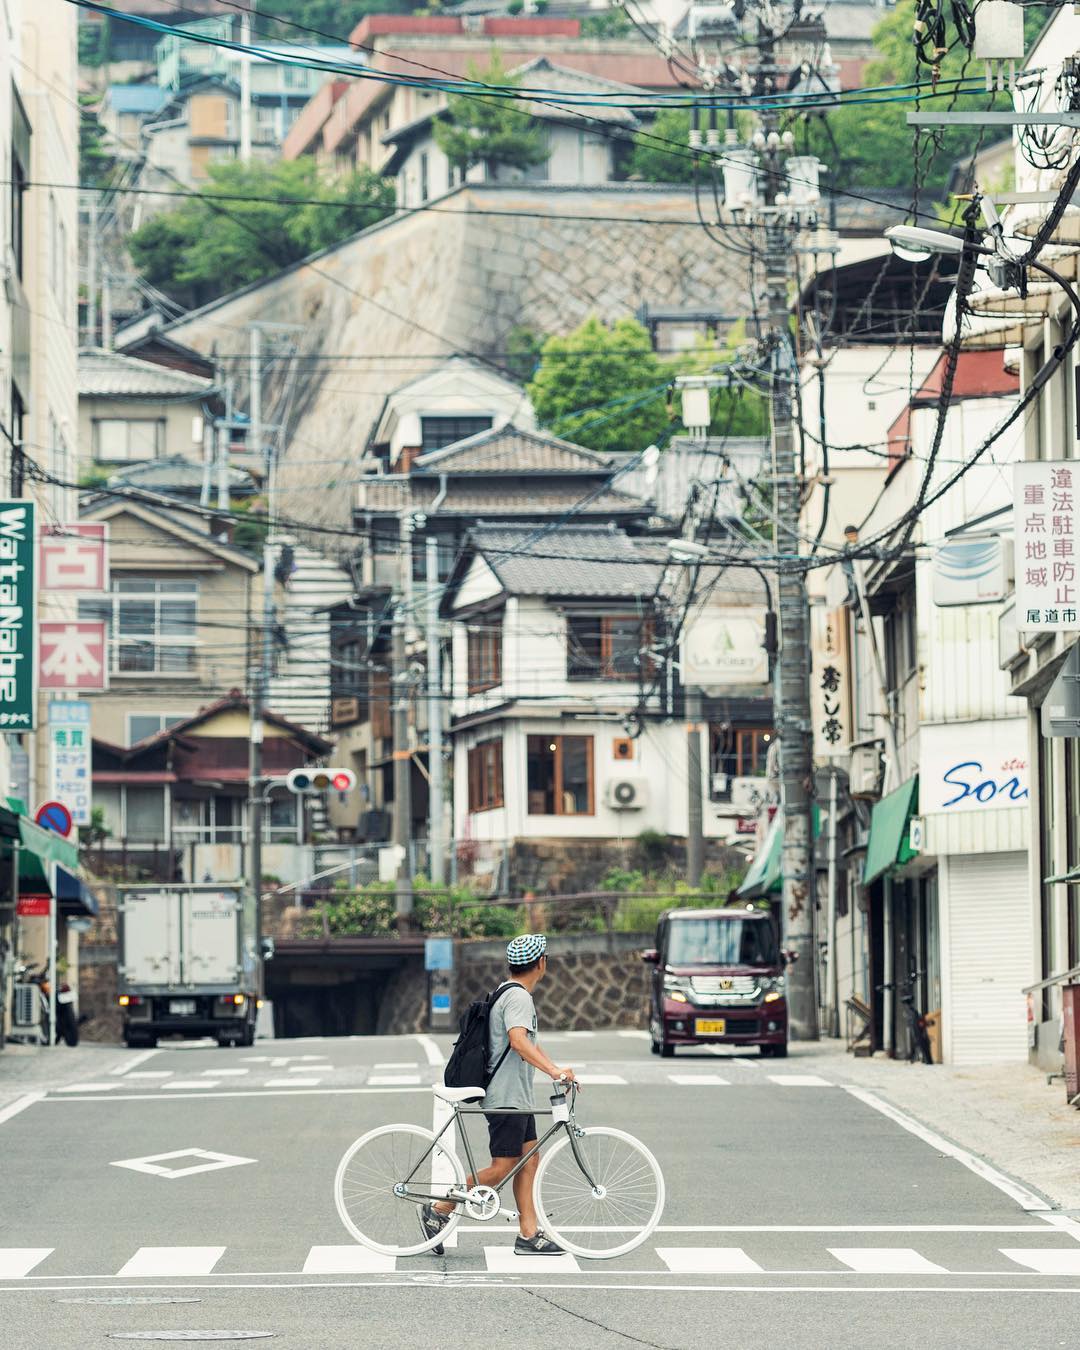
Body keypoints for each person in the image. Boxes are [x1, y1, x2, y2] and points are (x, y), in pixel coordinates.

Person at [421, 933, 577, 1256]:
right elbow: (519, 1042)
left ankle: (528, 1233)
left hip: (517, 1098)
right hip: (506, 1097)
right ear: (541, 963)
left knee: (529, 1158)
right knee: (503, 1166)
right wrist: (554, 1072)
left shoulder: (508, 993)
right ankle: (439, 1208)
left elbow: (527, 1043)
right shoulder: (518, 997)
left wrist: (556, 1068)